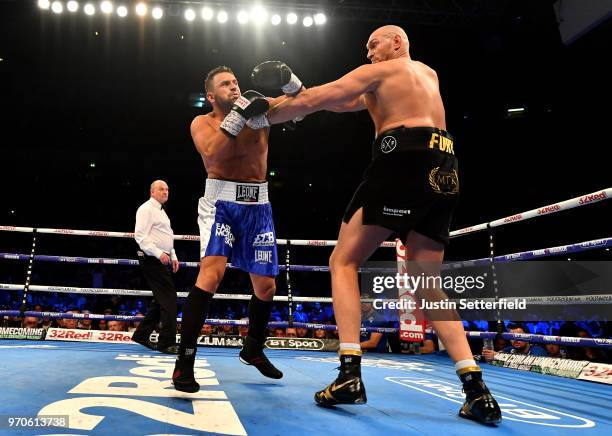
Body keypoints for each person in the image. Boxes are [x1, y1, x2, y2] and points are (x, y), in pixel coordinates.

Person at [254, 25, 501, 423]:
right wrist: (292, 92)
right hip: (446, 166)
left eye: (374, 45)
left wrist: (263, 113)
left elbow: (321, 98)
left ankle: (349, 373)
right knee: (426, 282)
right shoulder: (427, 75)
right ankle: (477, 390)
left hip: (401, 160)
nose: (369, 53)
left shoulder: (383, 72)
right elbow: (337, 102)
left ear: (397, 43)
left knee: (343, 261)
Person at [172, 66, 291, 393]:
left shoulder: (261, 113)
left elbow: (303, 105)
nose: (234, 87)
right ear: (211, 95)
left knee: (266, 287)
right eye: (226, 84)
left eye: (236, 82)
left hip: (258, 206)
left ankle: (252, 348)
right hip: (220, 204)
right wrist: (239, 113)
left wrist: (289, 80)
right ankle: (184, 363)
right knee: (211, 276)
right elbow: (212, 151)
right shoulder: (202, 123)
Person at [133, 180, 180, 354]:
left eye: (167, 189)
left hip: (162, 258)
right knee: (169, 299)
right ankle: (166, 343)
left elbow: (167, 236)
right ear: (152, 192)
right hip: (152, 258)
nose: (165, 192)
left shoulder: (161, 211)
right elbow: (140, 236)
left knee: (161, 300)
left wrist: (172, 255)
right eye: (161, 189)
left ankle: (141, 334)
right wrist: (158, 253)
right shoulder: (146, 209)